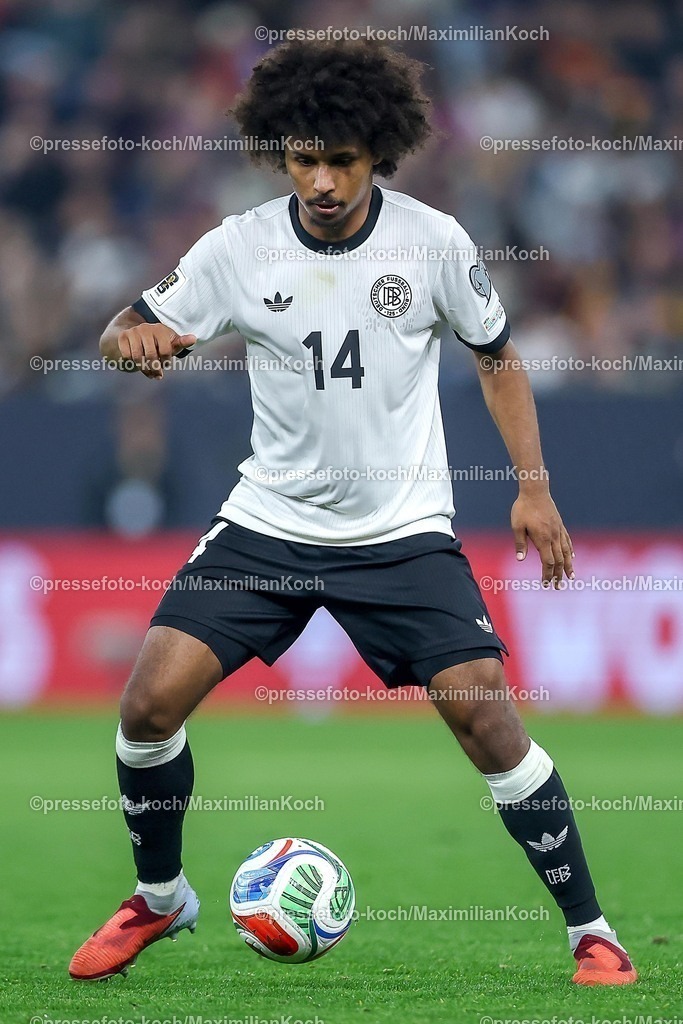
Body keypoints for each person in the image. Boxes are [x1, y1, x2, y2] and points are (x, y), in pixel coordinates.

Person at [69, 40, 636, 987]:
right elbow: (116, 332)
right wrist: (139, 345)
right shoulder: (237, 247)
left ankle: (591, 930)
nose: (324, 181)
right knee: (144, 708)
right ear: (279, 155)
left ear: (380, 151)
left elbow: (496, 356)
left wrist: (531, 486)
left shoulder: (435, 242)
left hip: (399, 530)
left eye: (343, 159)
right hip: (271, 521)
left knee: (487, 723)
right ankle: (160, 901)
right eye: (304, 160)